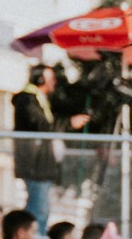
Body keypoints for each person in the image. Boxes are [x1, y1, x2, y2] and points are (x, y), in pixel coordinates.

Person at [11, 65, 86, 224]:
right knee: (39, 210)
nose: (54, 83)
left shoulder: (38, 99)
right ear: (40, 79)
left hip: (41, 164)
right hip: (35, 164)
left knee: (41, 208)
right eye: (51, 79)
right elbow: (42, 126)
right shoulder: (27, 99)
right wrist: (69, 123)